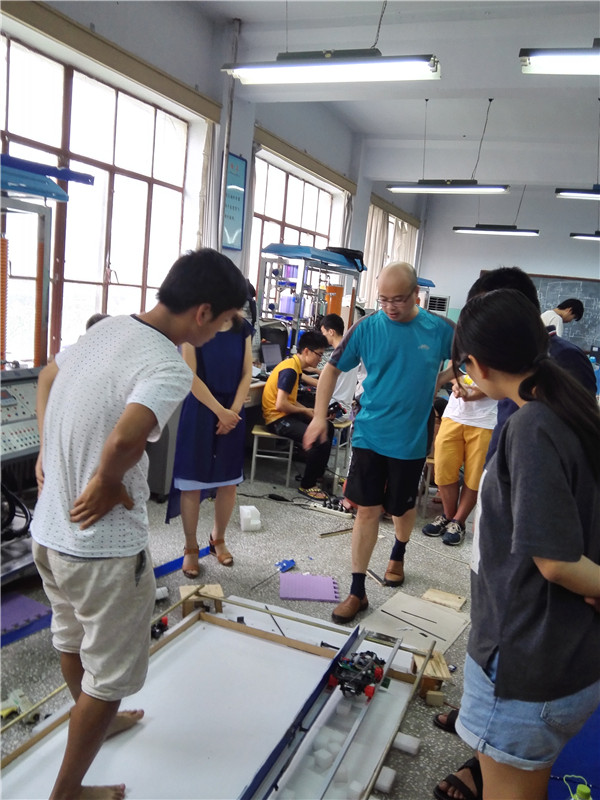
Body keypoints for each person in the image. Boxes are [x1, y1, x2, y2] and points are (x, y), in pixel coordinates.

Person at [32, 248, 247, 800]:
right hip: (102, 553)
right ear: (202, 312)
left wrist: (47, 449)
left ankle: (96, 720)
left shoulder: (106, 329)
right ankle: (67, 792)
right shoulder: (168, 364)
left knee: (71, 636)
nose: (222, 331)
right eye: (224, 320)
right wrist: (108, 480)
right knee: (109, 676)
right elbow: (127, 437)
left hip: (49, 534)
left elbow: (48, 376)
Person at [434, 266, 597, 800]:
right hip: (561, 649)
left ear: (476, 366)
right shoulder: (567, 405)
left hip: (527, 659)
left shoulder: (532, 425)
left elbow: (556, 560)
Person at [304, 262, 453, 624]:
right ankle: (357, 590)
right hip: (370, 432)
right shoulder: (367, 327)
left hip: (411, 438)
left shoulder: (439, 329)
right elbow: (331, 369)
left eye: (398, 299)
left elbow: (473, 358)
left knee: (400, 508)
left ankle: (398, 551)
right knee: (367, 509)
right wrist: (319, 417)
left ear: (416, 295)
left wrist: (443, 379)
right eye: (383, 299)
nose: (389, 306)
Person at [165, 313, 253, 576]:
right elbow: (189, 374)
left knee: (228, 482)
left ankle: (218, 539)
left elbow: (247, 372)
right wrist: (220, 412)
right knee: (191, 482)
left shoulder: (242, 327)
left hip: (233, 412)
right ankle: (190, 547)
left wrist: (232, 412)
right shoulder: (193, 324)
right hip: (201, 409)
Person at [421, 375, 496, 546]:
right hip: (454, 415)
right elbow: (454, 367)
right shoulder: (462, 353)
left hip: (486, 420)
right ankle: (448, 516)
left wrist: (482, 391)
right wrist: (457, 383)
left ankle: (458, 522)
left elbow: (505, 378)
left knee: (475, 475)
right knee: (443, 468)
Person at [262, 329, 333, 501]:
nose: (320, 359)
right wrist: (305, 411)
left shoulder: (295, 366)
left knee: (327, 427)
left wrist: (313, 414)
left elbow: (291, 401)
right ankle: (307, 485)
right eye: (319, 354)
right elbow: (281, 404)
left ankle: (316, 474)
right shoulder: (290, 370)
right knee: (318, 438)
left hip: (285, 414)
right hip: (277, 420)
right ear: (307, 351)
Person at [319, 312, 360, 413]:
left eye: (323, 332)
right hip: (345, 406)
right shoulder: (350, 351)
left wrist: (302, 376)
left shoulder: (337, 356)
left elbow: (324, 383)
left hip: (336, 407)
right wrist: (314, 370)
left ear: (331, 332)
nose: (322, 336)